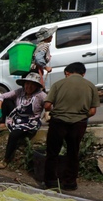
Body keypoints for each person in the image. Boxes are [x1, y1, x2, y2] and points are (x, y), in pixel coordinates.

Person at [43, 62, 100, 190]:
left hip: (58, 122)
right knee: (73, 152)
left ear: (67, 73)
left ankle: (50, 181)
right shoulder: (91, 86)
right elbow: (92, 111)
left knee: (52, 152)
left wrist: (56, 110)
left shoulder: (58, 84)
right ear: (83, 73)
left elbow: (47, 105)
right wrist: (79, 116)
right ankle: (69, 183)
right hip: (78, 124)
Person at [0, 72, 47, 169]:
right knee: (6, 101)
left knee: (14, 135)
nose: (29, 87)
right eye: (27, 84)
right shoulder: (19, 92)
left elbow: (50, 105)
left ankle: (5, 160)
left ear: (36, 86)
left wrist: (47, 112)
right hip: (17, 117)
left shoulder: (41, 95)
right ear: (24, 84)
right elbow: (1, 97)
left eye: (32, 85)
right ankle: (2, 125)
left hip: (30, 122)